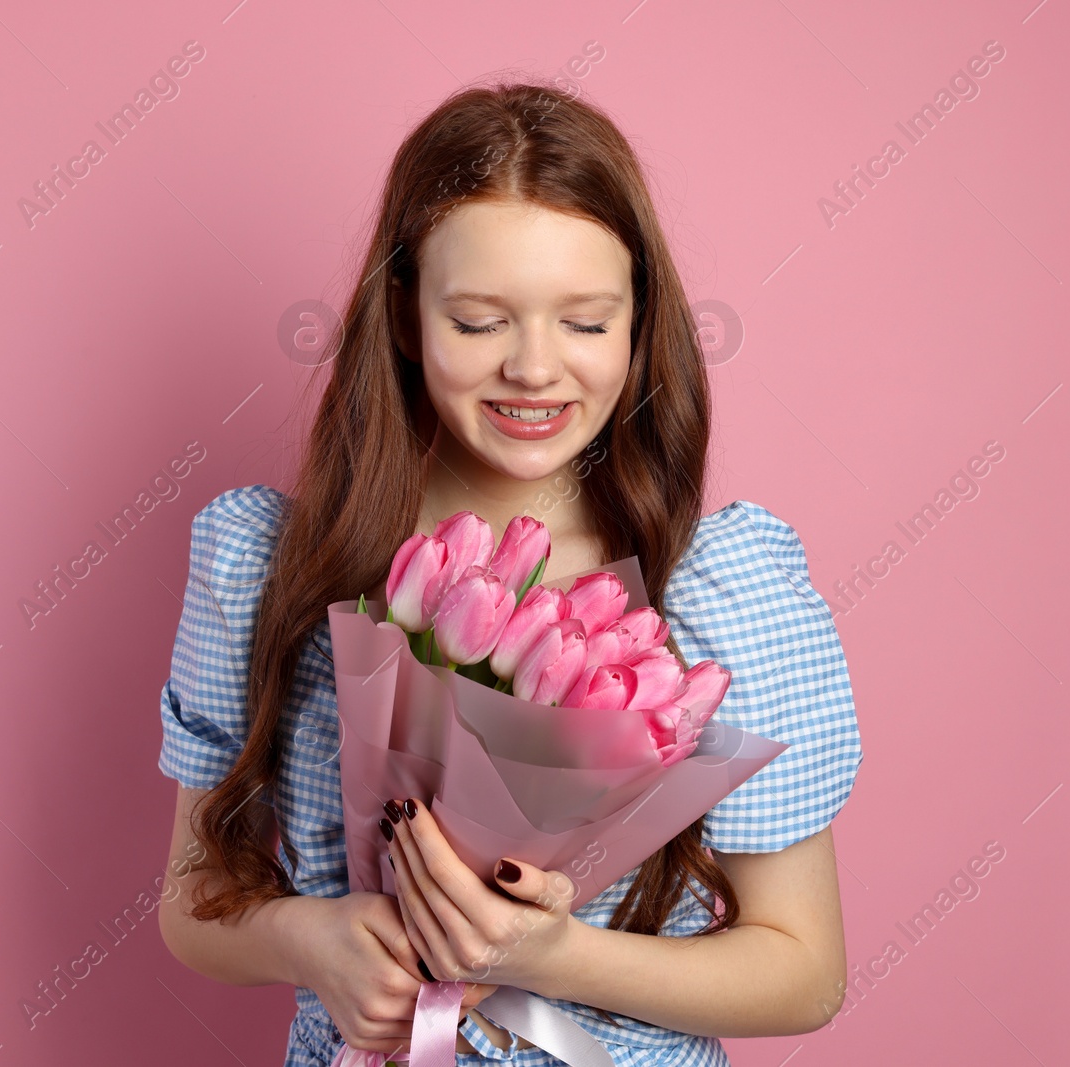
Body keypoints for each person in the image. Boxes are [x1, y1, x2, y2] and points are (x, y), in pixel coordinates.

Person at [155, 80, 864, 1066]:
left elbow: (804, 970)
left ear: (638, 320)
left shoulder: (713, 587)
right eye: (480, 320)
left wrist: (554, 952)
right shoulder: (269, 564)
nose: (534, 368)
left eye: (584, 320)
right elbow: (192, 898)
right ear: (403, 316)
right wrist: (310, 940)